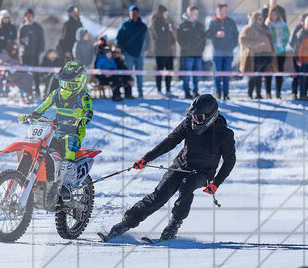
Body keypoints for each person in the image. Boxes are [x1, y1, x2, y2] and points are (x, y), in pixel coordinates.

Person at [100, 93, 236, 242]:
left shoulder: (225, 135)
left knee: (187, 185)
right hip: (181, 165)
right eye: (194, 117)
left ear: (211, 117)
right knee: (158, 196)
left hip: (203, 173)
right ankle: (125, 224)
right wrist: (146, 158)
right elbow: (170, 141)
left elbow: (229, 161)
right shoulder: (188, 124)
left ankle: (173, 227)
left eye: (199, 117)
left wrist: (215, 184)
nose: (195, 121)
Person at [17, 61, 94, 200]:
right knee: (41, 144)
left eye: (69, 84)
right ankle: (38, 178)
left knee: (68, 143)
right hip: (57, 129)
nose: (66, 87)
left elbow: (88, 111)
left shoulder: (84, 96)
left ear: (79, 82)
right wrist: (31, 115)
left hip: (74, 131)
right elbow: (43, 107)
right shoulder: (56, 93)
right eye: (64, 83)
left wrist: (84, 119)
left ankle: (66, 184)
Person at [239, 10, 274, 99]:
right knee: (252, 76)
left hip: (265, 56)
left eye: (262, 18)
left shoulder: (262, 29)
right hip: (254, 56)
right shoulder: (248, 28)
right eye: (259, 19)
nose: (261, 20)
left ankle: (258, 94)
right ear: (254, 19)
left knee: (260, 76)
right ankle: (250, 94)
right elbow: (242, 40)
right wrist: (256, 44)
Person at [206, 4, 238, 101]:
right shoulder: (212, 22)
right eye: (222, 10)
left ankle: (226, 93)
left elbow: (236, 36)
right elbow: (207, 34)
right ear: (218, 11)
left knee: (226, 74)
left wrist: (232, 47)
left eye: (226, 11)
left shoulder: (231, 22)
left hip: (228, 52)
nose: (224, 12)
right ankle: (218, 92)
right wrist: (215, 34)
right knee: (218, 73)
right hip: (217, 52)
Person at [116, 5, 149, 99]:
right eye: (132, 13)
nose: (134, 15)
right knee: (127, 74)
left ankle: (140, 92)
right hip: (128, 54)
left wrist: (146, 48)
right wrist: (123, 50)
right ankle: (128, 93)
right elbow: (118, 38)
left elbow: (148, 38)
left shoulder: (142, 26)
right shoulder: (124, 25)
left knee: (139, 75)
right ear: (129, 14)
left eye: (136, 13)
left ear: (138, 14)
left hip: (140, 54)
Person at [177, 6, 206, 99]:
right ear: (189, 13)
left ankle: (195, 91)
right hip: (187, 55)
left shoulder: (199, 25)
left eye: (197, 13)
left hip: (198, 54)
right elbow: (180, 39)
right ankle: (186, 92)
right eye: (194, 13)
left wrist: (201, 50)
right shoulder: (182, 25)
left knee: (196, 75)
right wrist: (187, 48)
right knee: (186, 74)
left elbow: (203, 39)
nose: (196, 15)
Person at [149, 5, 177, 96]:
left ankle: (168, 89)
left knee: (170, 69)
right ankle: (159, 89)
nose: (167, 15)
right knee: (160, 69)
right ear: (161, 13)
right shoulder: (155, 22)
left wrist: (171, 40)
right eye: (165, 13)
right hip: (160, 50)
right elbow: (159, 36)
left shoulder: (167, 23)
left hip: (168, 50)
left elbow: (172, 36)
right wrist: (168, 38)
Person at [19, 9, 45, 96]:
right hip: (25, 54)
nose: (28, 18)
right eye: (27, 16)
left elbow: (42, 41)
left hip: (35, 54)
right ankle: (26, 90)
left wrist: (39, 51)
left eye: (30, 16)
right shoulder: (22, 27)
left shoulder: (38, 27)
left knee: (35, 73)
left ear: (33, 17)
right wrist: (22, 41)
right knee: (25, 73)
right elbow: (19, 40)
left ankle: (37, 89)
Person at [266, 6, 291, 98]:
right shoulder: (267, 24)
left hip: (280, 52)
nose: (274, 16)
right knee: (269, 72)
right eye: (272, 14)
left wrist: (282, 45)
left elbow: (287, 36)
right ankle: (268, 93)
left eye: (276, 14)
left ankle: (278, 92)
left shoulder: (283, 24)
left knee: (279, 72)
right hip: (270, 52)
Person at [0, 9, 19, 95]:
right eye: (5, 18)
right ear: (1, 18)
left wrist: (4, 39)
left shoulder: (12, 27)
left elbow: (14, 38)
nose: (6, 19)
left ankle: (7, 90)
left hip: (10, 52)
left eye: (8, 17)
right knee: (0, 72)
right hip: (1, 52)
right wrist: (4, 40)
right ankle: (0, 91)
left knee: (9, 71)